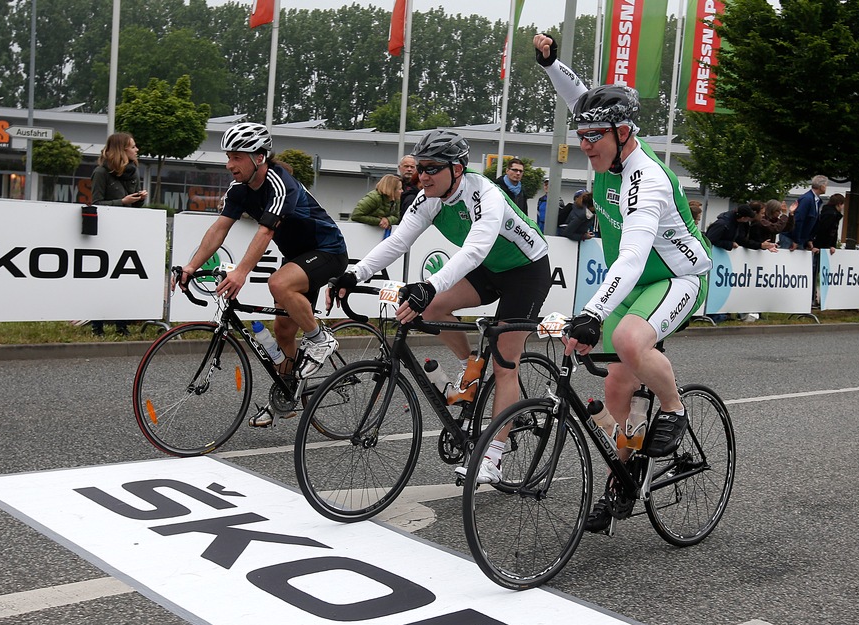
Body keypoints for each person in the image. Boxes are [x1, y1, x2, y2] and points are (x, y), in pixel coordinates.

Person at [534, 32, 713, 532]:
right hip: (636, 283)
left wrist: (592, 312)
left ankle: (674, 409)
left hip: (677, 276)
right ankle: (625, 469)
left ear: (624, 133)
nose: (583, 145)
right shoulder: (609, 143)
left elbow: (633, 256)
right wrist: (551, 64)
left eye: (593, 138)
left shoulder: (645, 180)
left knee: (629, 339)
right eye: (581, 136)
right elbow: (582, 99)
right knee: (614, 380)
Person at [327, 130, 551, 485]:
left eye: (431, 168)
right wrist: (354, 274)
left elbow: (474, 249)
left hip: (526, 271)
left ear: (458, 169)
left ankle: (493, 457)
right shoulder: (428, 197)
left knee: (505, 361)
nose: (422, 176)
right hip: (488, 269)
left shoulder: (486, 195)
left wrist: (428, 285)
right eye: (420, 168)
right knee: (431, 309)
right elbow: (399, 240)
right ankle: (469, 369)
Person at [175, 122, 349, 427]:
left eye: (237, 157)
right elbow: (219, 228)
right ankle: (285, 397)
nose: (230, 165)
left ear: (259, 157)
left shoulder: (282, 184)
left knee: (278, 282)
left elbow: (266, 231)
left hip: (328, 251)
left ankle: (320, 339)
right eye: (228, 157)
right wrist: (191, 265)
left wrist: (241, 272)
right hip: (298, 257)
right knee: (282, 333)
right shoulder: (239, 190)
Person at [89, 132, 148, 336]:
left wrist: (139, 198)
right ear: (122, 150)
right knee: (103, 278)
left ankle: (121, 325)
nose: (136, 150)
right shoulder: (100, 172)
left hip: (127, 231)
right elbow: (95, 204)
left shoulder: (133, 172)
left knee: (125, 278)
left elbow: (135, 205)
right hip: (106, 233)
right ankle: (97, 326)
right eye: (132, 146)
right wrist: (122, 202)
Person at [706, 204, 778, 252]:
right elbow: (710, 240)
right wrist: (730, 244)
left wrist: (763, 245)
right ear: (743, 218)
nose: (748, 220)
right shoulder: (722, 224)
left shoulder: (736, 223)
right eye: (748, 218)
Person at [788, 176, 828, 252]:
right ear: (822, 186)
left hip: (801, 239)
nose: (826, 187)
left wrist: (809, 239)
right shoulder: (807, 199)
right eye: (826, 185)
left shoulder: (815, 200)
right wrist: (796, 240)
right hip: (793, 239)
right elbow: (799, 220)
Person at [398, 154, 420, 220]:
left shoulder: (422, 185)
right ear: (399, 168)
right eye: (406, 166)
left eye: (412, 167)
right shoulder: (393, 184)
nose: (409, 169)